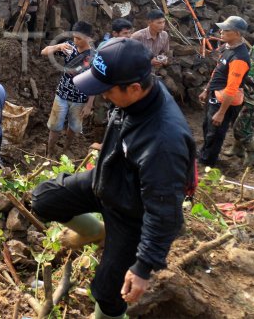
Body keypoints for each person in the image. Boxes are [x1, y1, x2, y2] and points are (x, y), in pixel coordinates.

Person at [32, 38, 195, 319]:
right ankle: (97, 232)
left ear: (133, 88)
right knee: (44, 198)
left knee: (109, 293)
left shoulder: (163, 142)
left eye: (106, 90)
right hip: (107, 180)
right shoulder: (136, 94)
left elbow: (165, 212)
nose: (103, 96)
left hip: (131, 212)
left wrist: (143, 267)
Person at [198, 16, 250, 167]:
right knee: (207, 127)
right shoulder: (228, 48)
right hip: (215, 95)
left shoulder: (239, 58)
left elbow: (232, 89)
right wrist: (207, 89)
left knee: (216, 133)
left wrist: (221, 112)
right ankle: (204, 154)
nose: (221, 32)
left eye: (226, 30)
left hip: (224, 100)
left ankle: (208, 161)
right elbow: (218, 71)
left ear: (237, 34)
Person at [40, 21, 95, 157]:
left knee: (74, 127)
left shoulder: (94, 56)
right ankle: (50, 153)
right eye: (74, 37)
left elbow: (94, 81)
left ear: (88, 38)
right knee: (55, 127)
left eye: (79, 38)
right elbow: (44, 52)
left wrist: (89, 105)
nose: (75, 41)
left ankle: (66, 149)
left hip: (80, 99)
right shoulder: (69, 47)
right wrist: (58, 46)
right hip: (62, 94)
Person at [230, 42, 254, 167]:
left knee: (243, 127)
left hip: (253, 98)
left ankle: (252, 154)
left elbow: (251, 73)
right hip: (246, 92)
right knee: (242, 121)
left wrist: (241, 75)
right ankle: (238, 148)